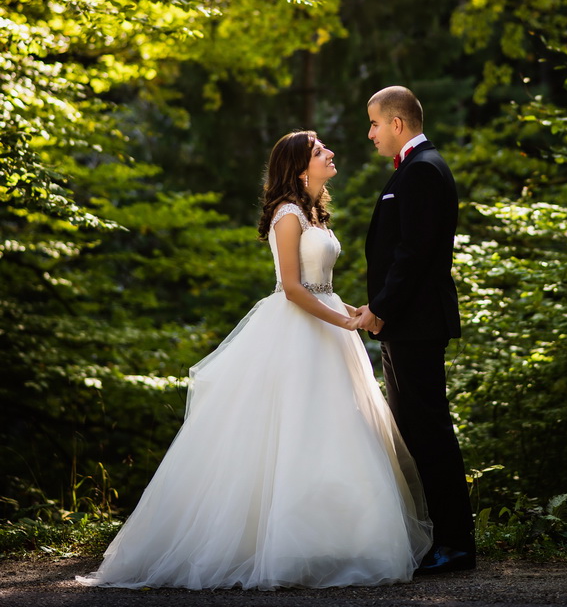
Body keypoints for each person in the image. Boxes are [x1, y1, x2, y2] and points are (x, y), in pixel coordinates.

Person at [77, 130, 431, 591]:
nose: (330, 153)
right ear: (300, 168)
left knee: (332, 428)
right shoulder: (287, 214)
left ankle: (336, 538)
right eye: (319, 150)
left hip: (326, 325)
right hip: (297, 330)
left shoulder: (314, 212)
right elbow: (293, 289)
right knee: (290, 429)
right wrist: (346, 322)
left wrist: (360, 311)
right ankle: (275, 544)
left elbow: (322, 287)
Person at [356, 86, 476, 573]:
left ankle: (456, 544)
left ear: (397, 123)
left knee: (430, 432)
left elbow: (414, 253)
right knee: (415, 431)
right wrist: (378, 307)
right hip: (406, 322)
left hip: (415, 323)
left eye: (374, 124)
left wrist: (382, 309)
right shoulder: (414, 168)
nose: (370, 134)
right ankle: (438, 538)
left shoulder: (423, 169)